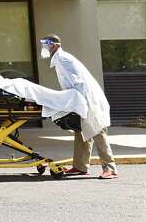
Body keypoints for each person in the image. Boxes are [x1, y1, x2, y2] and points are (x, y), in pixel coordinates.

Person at [40, 34, 118, 179]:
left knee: (97, 130)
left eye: (47, 44)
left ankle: (110, 168)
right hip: (80, 98)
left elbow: (79, 82)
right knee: (80, 131)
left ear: (56, 45)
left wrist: (79, 103)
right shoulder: (59, 60)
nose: (45, 47)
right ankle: (80, 166)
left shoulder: (63, 59)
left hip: (87, 99)